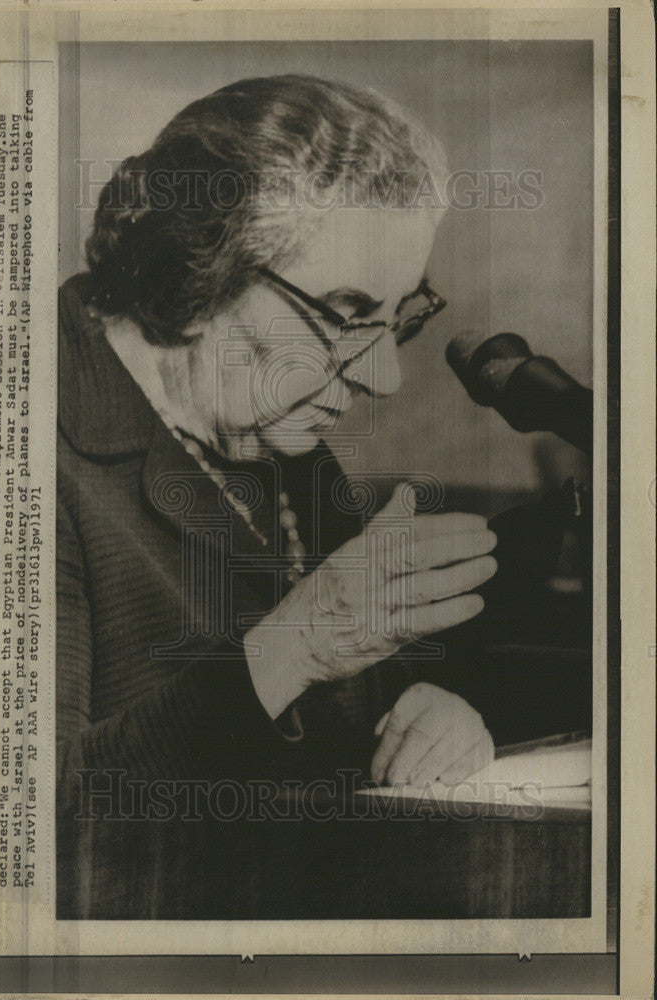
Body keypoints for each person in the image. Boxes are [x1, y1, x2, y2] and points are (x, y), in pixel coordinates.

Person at [57, 74, 498, 919]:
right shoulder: (5, 447)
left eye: (399, 318)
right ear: (197, 272)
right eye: (345, 311)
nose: (386, 374)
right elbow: (22, 850)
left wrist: (427, 720)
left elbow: (334, 727)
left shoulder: (280, 446)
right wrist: (296, 645)